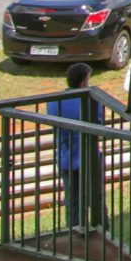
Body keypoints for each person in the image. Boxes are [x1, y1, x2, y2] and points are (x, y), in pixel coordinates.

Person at [48, 63, 107, 231]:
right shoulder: (91, 99)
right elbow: (99, 124)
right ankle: (102, 234)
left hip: (66, 158)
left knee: (72, 202)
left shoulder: (55, 101)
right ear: (83, 83)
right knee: (96, 200)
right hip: (89, 157)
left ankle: (74, 238)